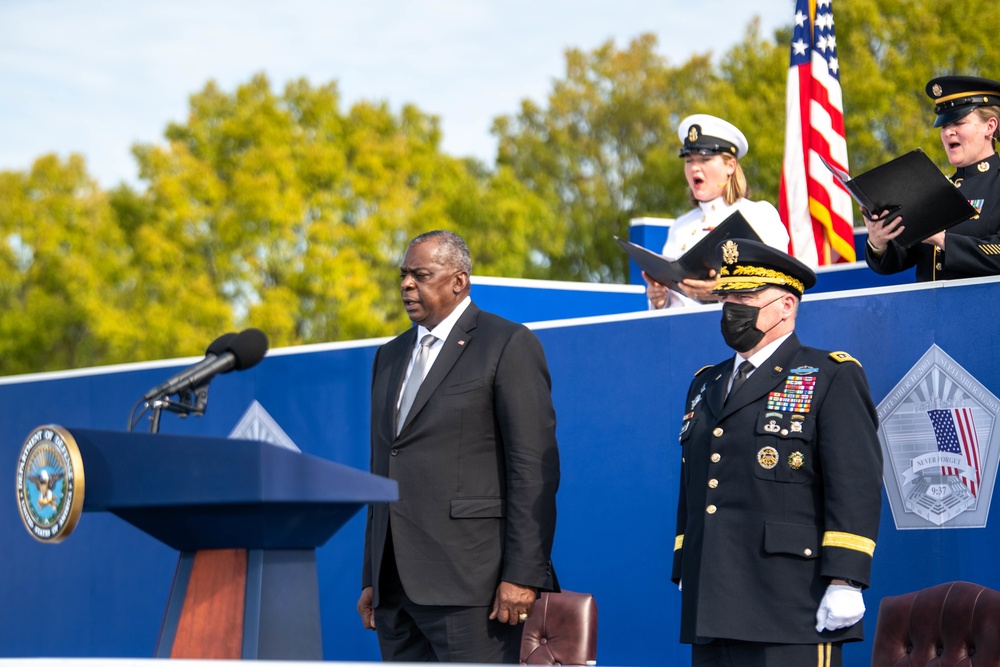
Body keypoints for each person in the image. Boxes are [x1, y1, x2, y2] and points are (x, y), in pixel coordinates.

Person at [672, 239, 883, 666]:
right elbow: (694, 482)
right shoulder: (706, 383)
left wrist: (847, 578)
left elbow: (855, 484)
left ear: (787, 305)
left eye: (747, 296)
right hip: (712, 596)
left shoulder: (830, 375)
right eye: (727, 296)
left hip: (793, 601)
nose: (733, 308)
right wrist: (685, 560)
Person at [357, 230, 560, 663]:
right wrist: (371, 574)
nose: (406, 285)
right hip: (395, 591)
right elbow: (384, 468)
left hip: (474, 588)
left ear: (458, 281)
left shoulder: (506, 344)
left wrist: (523, 574)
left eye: (420, 274)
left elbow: (532, 469)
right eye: (403, 275)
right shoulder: (388, 356)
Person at [645, 114, 791, 309]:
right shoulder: (680, 226)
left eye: (705, 159)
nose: (694, 168)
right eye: (689, 160)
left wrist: (724, 288)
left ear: (730, 165)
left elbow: (779, 284)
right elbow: (674, 305)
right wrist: (659, 299)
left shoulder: (759, 215)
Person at [865, 75, 1000, 281]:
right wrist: (879, 242)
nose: (948, 133)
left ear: (989, 126)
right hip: (932, 312)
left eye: (958, 122)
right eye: (944, 126)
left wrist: (943, 240)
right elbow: (900, 259)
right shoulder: (934, 190)